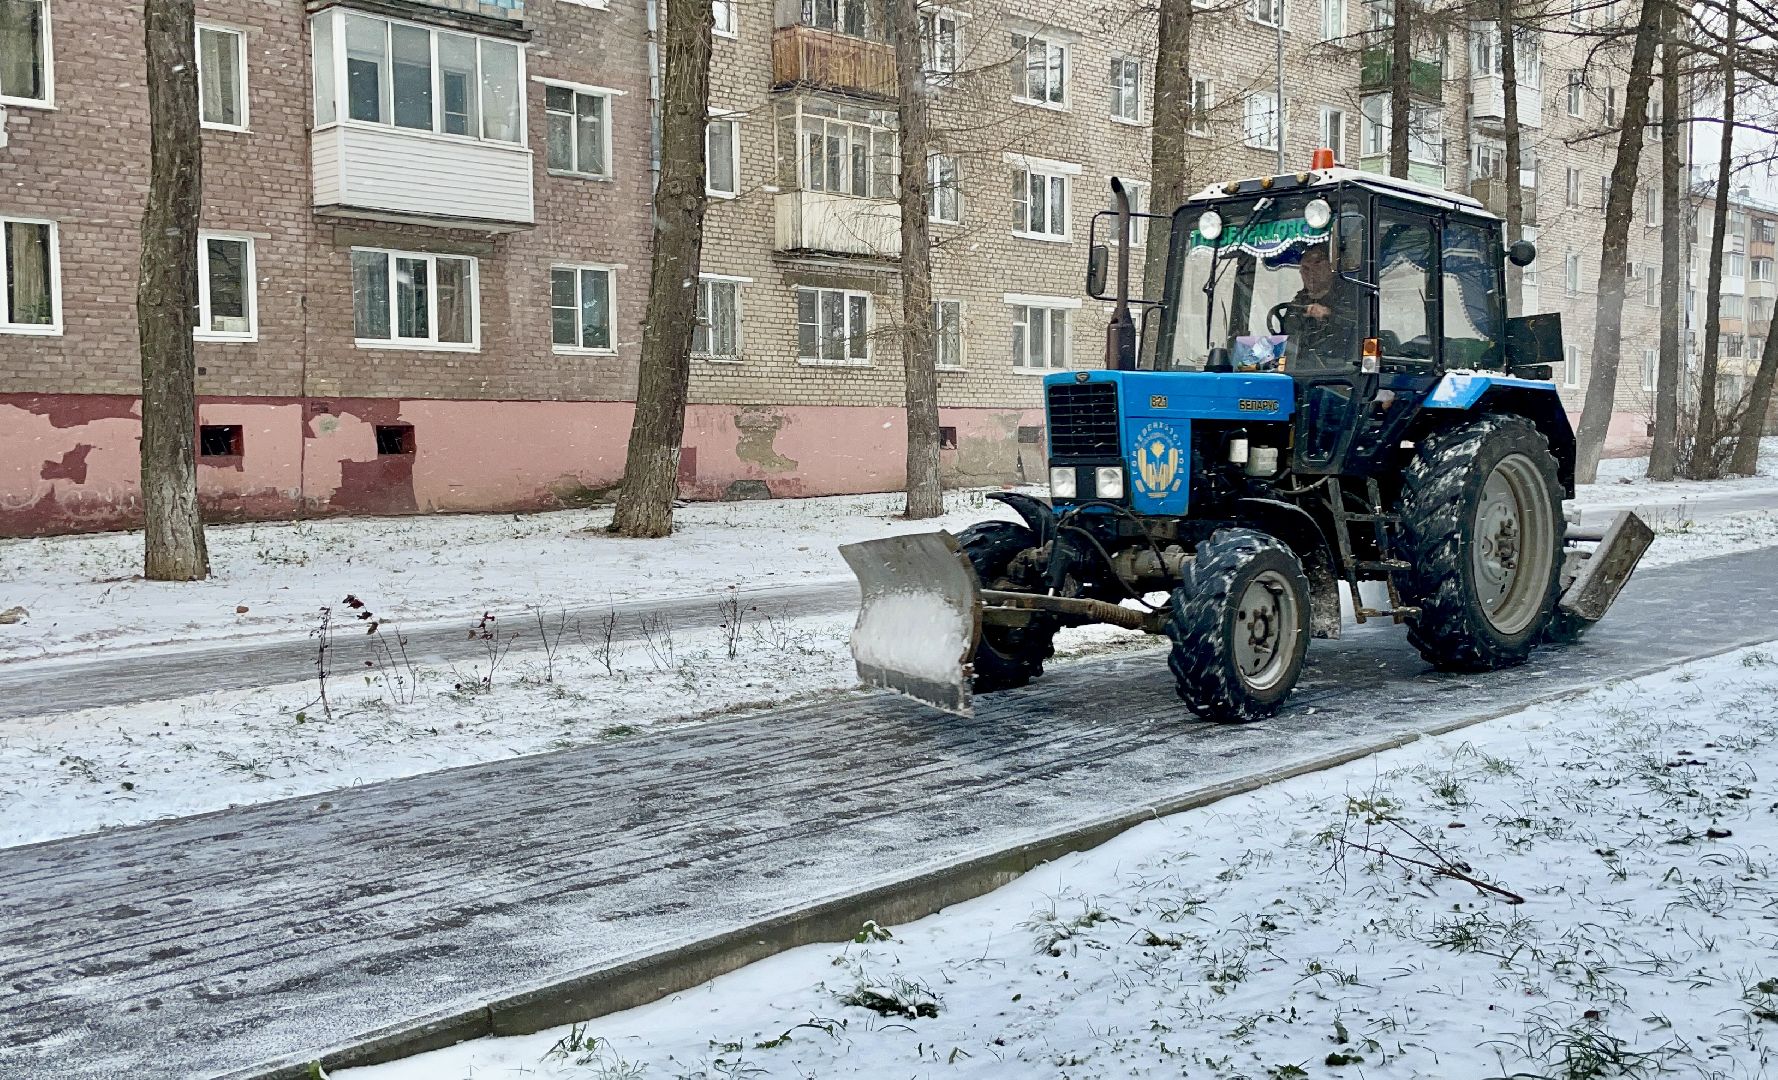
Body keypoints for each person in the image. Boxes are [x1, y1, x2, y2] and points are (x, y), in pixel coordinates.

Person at [1282, 243, 1361, 371]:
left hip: (1342, 371)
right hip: (1301, 370)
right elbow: (1288, 334)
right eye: (1306, 269)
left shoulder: (1352, 293)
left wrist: (1328, 314)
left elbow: (1361, 324)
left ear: (1330, 267)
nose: (1311, 274)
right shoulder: (1298, 302)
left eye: (1317, 265)